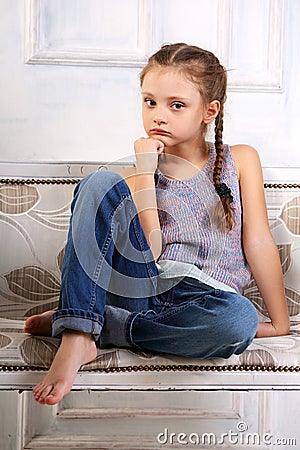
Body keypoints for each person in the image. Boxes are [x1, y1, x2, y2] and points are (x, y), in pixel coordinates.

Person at [24, 43, 290, 405]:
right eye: (150, 102)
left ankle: (98, 320)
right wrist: (145, 174)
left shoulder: (240, 159)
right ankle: (77, 334)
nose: (158, 116)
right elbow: (151, 250)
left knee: (238, 319)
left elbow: (257, 240)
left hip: (204, 300)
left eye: (175, 105)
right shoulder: (139, 175)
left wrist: (279, 321)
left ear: (208, 111)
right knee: (99, 184)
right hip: (143, 285)